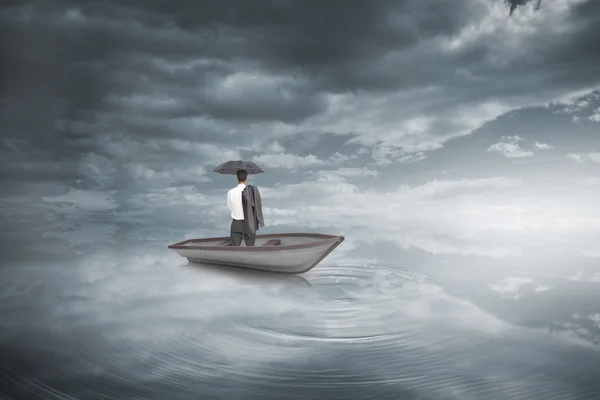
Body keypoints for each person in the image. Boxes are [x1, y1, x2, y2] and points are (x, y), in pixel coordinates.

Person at [226, 169, 263, 246]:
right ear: (246, 178)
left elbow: (230, 207)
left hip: (237, 223)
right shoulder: (252, 191)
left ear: (237, 178)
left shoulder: (231, 192)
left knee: (235, 248)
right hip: (250, 223)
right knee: (250, 248)